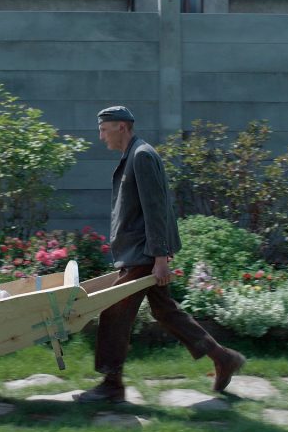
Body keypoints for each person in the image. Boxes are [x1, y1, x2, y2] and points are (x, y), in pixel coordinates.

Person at [76, 105, 246, 404]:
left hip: (143, 254)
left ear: (121, 127)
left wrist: (159, 258)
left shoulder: (141, 156)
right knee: (166, 312)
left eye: (104, 129)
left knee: (113, 314)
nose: (101, 136)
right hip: (141, 252)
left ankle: (111, 385)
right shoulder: (134, 155)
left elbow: (156, 210)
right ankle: (223, 358)